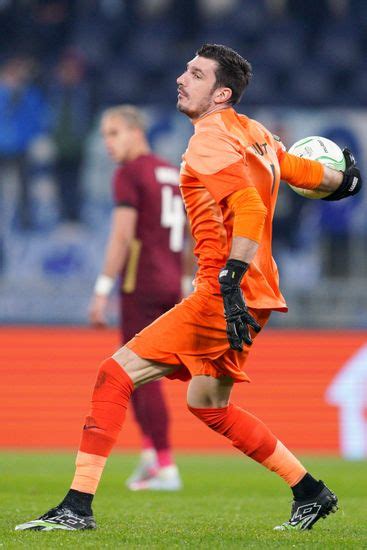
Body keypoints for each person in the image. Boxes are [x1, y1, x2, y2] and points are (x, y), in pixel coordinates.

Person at [16, 43, 362, 533]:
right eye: (185, 69)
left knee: (113, 376)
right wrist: (343, 179)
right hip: (257, 295)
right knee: (208, 404)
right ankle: (310, 491)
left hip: (225, 293)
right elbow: (298, 170)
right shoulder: (254, 133)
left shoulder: (208, 141)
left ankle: (76, 507)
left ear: (221, 93)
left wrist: (229, 278)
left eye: (195, 74)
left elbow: (251, 208)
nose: (181, 78)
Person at [88, 105, 184, 491]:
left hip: (139, 284)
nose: (108, 143)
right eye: (104, 136)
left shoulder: (129, 173)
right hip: (171, 282)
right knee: (143, 375)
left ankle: (163, 463)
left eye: (113, 133)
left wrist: (100, 290)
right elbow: (192, 229)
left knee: (137, 376)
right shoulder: (170, 172)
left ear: (134, 131)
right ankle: (151, 458)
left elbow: (122, 236)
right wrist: (189, 277)